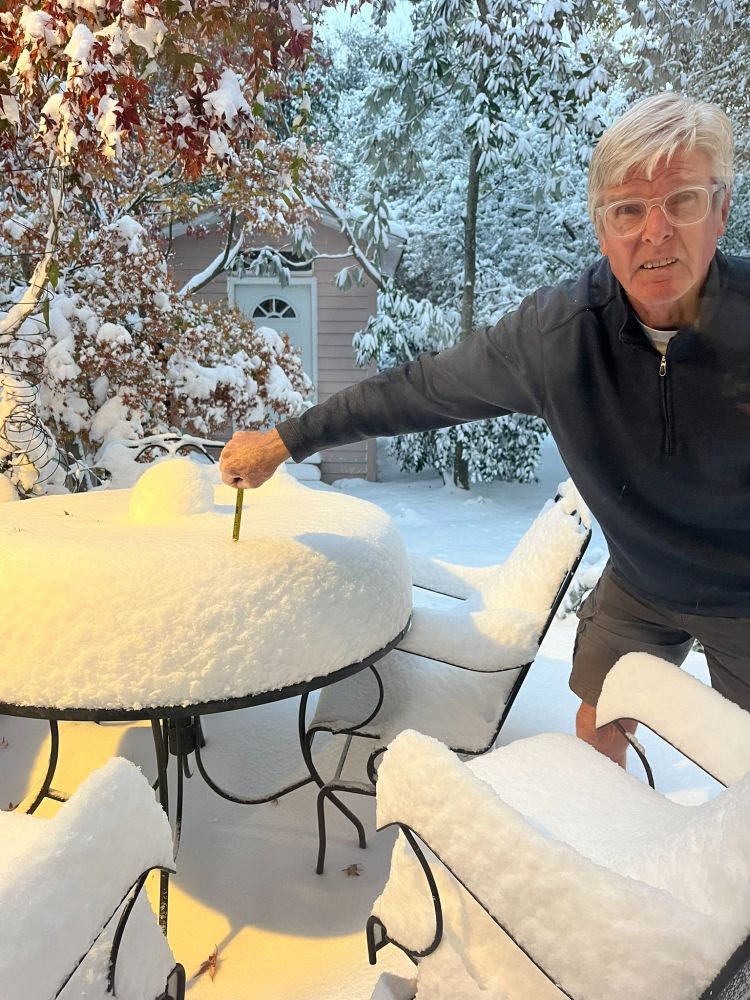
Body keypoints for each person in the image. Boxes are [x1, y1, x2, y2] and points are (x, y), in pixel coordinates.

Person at [220, 92, 750, 767]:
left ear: (721, 208)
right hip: (643, 584)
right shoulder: (561, 337)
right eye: (628, 210)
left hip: (744, 595)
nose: (656, 232)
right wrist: (283, 442)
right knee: (596, 726)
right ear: (601, 228)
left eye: (683, 201)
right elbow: (419, 390)